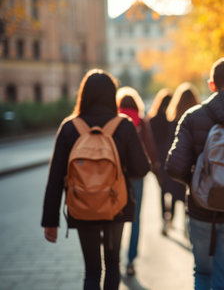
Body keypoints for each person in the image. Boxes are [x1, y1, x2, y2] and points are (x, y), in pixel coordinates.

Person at [41, 69, 151, 290]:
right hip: (116, 205)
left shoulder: (70, 127)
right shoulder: (125, 125)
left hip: (82, 206)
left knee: (91, 270)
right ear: (112, 95)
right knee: (112, 265)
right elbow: (141, 168)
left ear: (84, 94)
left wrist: (50, 221)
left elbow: (55, 177)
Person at [165, 57, 224, 290]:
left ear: (212, 85)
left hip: (200, 208)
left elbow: (174, 166)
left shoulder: (193, 117)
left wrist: (198, 182)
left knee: (202, 271)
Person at [116, 86, 160, 277]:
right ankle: (130, 261)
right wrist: (155, 166)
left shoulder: (114, 120)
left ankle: (113, 257)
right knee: (135, 219)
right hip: (136, 176)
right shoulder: (141, 121)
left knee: (115, 217)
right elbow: (149, 145)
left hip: (116, 176)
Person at [163, 82, 200, 235]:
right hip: (193, 164)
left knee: (171, 192)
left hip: (177, 162)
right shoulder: (197, 118)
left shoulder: (173, 119)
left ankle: (168, 220)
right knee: (188, 195)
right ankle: (187, 224)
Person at [147, 88, 174, 235]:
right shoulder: (173, 119)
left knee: (162, 190)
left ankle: (164, 218)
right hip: (172, 158)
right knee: (174, 189)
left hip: (159, 159)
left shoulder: (153, 119)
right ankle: (172, 216)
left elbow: (151, 142)